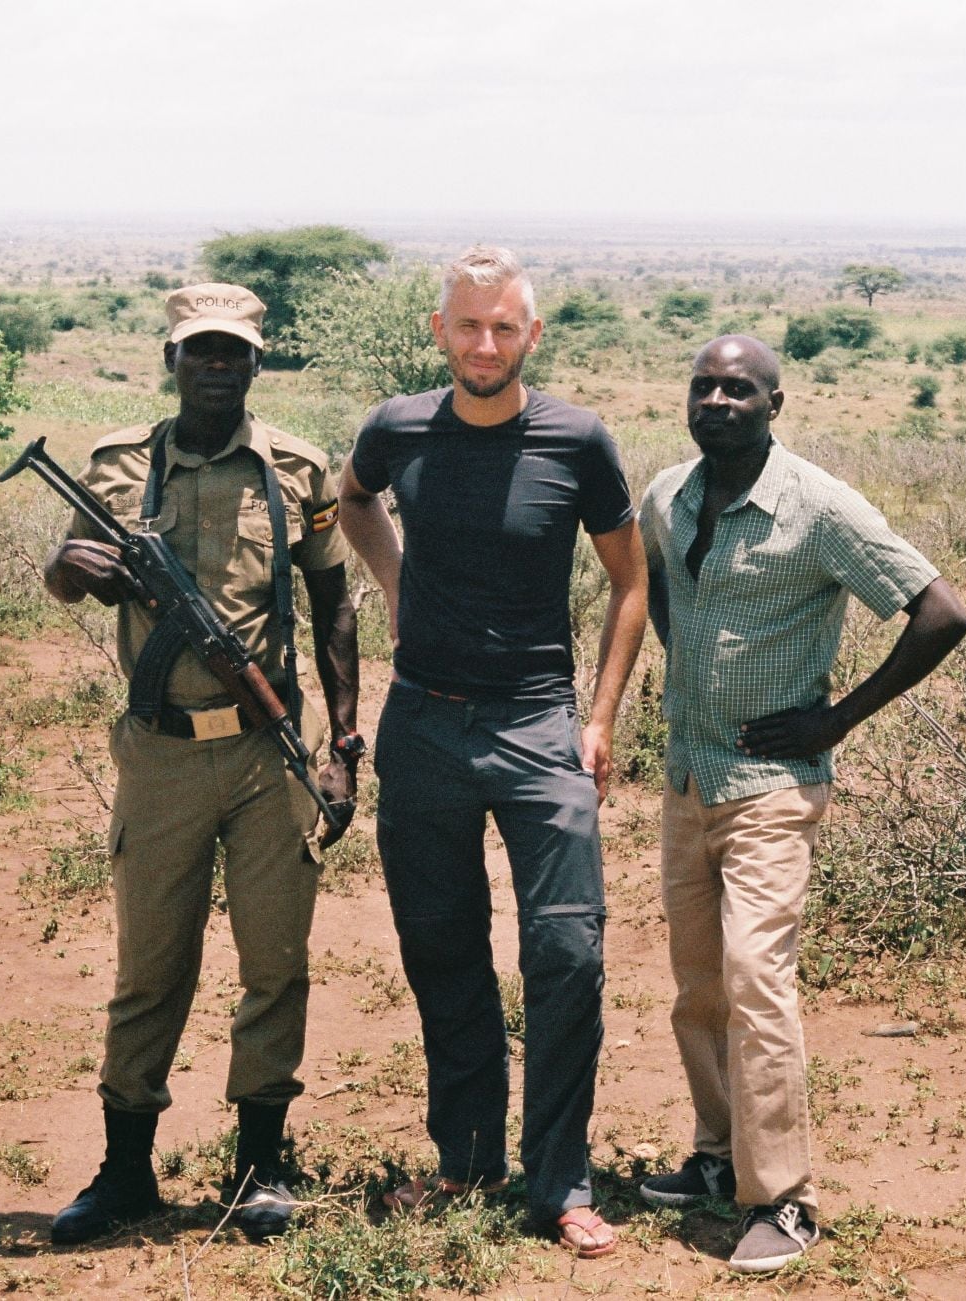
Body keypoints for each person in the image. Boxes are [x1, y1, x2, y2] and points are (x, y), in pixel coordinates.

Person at [336, 246, 648, 1260]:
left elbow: (630, 582)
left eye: (504, 327)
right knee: (443, 945)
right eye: (468, 325)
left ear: (531, 335)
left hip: (537, 724)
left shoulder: (578, 441)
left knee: (567, 950)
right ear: (440, 332)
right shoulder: (396, 428)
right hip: (422, 720)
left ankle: (560, 1178)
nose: (485, 343)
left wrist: (597, 718)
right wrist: (397, 590)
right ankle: (467, 1160)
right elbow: (353, 500)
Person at [635, 334, 966, 1274]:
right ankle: (714, 1157)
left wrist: (836, 719)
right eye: (703, 385)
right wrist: (688, 662)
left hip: (773, 791)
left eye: (739, 388)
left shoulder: (817, 507)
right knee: (698, 983)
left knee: (755, 979)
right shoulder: (670, 493)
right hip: (688, 779)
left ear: (775, 405)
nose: (718, 400)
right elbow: (659, 581)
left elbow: (940, 610)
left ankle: (781, 1200)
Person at [41, 283, 362, 1245]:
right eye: (199, 352)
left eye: (233, 353)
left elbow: (335, 605)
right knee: (151, 967)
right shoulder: (117, 468)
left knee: (276, 964)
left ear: (256, 363)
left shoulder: (299, 471)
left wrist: (343, 745)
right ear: (170, 359)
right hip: (163, 755)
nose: (216, 366)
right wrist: (72, 568)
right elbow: (66, 579)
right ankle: (126, 1170)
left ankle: (261, 1165)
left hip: (270, 755)